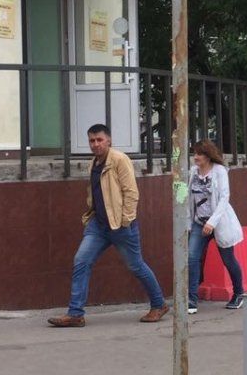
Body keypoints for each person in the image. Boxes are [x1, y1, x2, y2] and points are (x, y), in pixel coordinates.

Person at [48, 124, 168, 327]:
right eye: (92, 141)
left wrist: (125, 220)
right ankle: (75, 314)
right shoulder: (94, 163)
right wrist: (91, 215)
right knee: (81, 261)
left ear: (109, 140)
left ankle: (159, 304)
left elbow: (131, 192)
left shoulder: (119, 160)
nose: (95, 144)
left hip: (120, 225)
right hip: (98, 225)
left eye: (99, 140)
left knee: (136, 265)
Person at [187, 139, 246, 313]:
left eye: (199, 154)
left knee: (228, 260)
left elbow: (224, 198)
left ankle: (238, 293)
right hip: (199, 223)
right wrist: (189, 221)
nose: (195, 157)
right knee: (192, 258)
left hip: (219, 223)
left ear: (207, 156)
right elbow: (189, 198)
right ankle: (191, 300)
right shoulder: (193, 172)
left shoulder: (219, 171)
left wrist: (212, 222)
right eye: (194, 153)